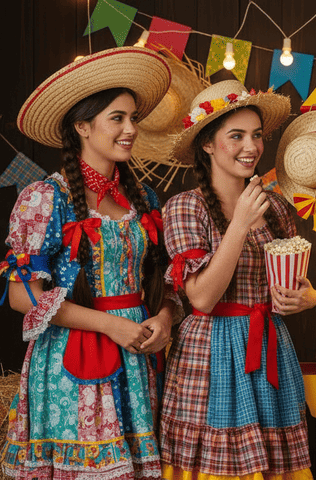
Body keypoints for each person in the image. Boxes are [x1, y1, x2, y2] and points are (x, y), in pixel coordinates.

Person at [0, 46, 177, 479]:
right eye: (117, 118)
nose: (131, 129)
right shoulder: (45, 198)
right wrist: (111, 325)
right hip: (73, 363)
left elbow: (167, 278)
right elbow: (23, 298)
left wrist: (165, 317)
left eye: (133, 117)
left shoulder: (145, 198)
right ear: (82, 126)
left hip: (136, 356)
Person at [159, 80, 316, 480]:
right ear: (207, 145)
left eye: (257, 135)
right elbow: (202, 299)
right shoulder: (185, 207)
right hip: (210, 354)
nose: (251, 147)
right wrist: (240, 224)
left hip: (269, 349)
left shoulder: (276, 206)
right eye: (236, 136)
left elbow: (295, 284)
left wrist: (308, 298)